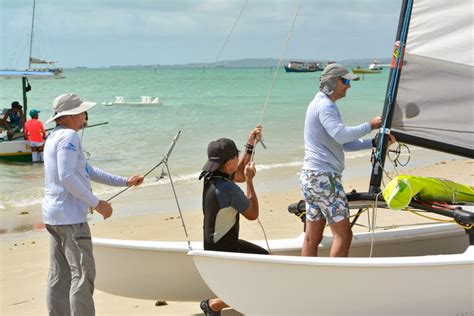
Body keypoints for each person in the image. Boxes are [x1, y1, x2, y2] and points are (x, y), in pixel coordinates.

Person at [42, 93, 144, 316]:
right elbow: (67, 176)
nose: (85, 115)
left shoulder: (53, 136)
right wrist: (97, 204)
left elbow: (88, 171)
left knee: (59, 275)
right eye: (83, 111)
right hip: (70, 219)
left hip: (53, 216)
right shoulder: (69, 137)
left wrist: (124, 181)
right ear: (74, 114)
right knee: (82, 273)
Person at [300, 63, 393, 258]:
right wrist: (370, 125)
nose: (349, 86)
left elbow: (343, 144)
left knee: (311, 238)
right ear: (333, 82)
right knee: (343, 234)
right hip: (325, 179)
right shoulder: (325, 106)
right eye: (346, 81)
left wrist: (373, 143)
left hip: (311, 178)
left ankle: (307, 280)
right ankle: (334, 282)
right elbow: (342, 135)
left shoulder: (318, 103)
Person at [198, 126, 267, 316]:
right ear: (228, 164)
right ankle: (213, 305)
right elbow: (253, 214)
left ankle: (215, 305)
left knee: (264, 262)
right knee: (266, 272)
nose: (238, 159)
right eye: (236, 157)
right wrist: (251, 181)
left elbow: (239, 174)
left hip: (214, 245)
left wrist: (251, 144)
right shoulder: (228, 189)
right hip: (227, 251)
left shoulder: (211, 176)